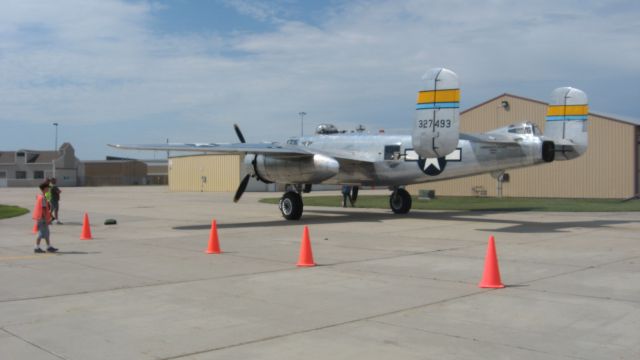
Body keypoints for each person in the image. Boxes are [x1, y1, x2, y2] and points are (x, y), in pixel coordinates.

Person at [33, 182, 58, 253]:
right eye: (48, 188)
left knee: (46, 233)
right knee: (41, 233)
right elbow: (43, 209)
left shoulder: (40, 196)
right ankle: (36, 247)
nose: (49, 189)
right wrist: (47, 219)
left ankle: (48, 246)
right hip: (42, 218)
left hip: (40, 217)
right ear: (44, 189)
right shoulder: (43, 198)